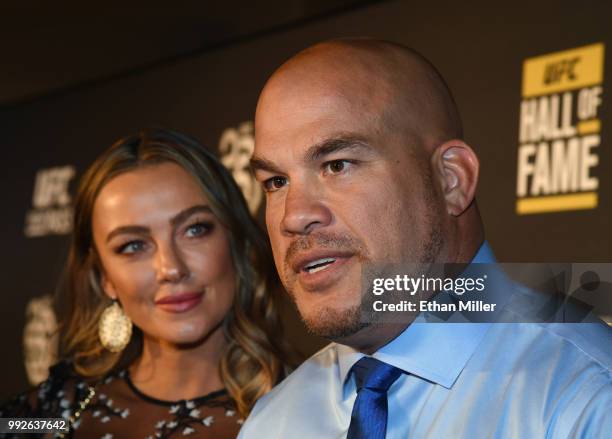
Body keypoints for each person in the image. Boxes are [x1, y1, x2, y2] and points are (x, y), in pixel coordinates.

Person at [239, 39, 612, 438]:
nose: (294, 216)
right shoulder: (274, 422)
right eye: (276, 182)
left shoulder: (585, 396)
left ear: (452, 180)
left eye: (337, 165)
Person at [1, 129, 291, 438]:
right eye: (133, 246)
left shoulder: (311, 414)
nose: (171, 268)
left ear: (236, 241)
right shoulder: (58, 414)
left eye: (195, 229)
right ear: (104, 277)